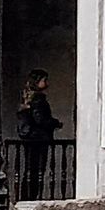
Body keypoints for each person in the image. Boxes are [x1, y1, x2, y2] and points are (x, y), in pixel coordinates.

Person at [16, 69, 61, 201]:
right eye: (44, 80)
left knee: (30, 169)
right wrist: (54, 123)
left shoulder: (27, 98)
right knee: (37, 169)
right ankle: (32, 196)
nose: (46, 83)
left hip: (28, 136)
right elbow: (40, 119)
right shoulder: (38, 99)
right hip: (38, 137)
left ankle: (27, 196)